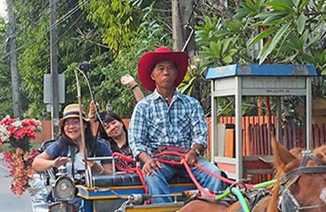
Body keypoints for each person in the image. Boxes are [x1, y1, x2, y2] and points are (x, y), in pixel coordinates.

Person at [128, 46, 223, 201]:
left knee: (215, 174)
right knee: (151, 175)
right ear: (152, 75)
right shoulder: (143, 107)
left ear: (176, 73)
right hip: (159, 162)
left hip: (188, 158)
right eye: (161, 69)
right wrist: (147, 159)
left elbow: (200, 135)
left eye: (170, 68)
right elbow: (135, 141)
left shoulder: (191, 104)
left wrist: (194, 152)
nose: (166, 72)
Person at [30, 103, 113, 179]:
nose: (71, 127)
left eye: (76, 122)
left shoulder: (99, 146)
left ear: (84, 125)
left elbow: (112, 175)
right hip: (69, 192)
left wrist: (99, 169)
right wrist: (53, 163)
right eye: (67, 123)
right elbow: (36, 163)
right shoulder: (60, 145)